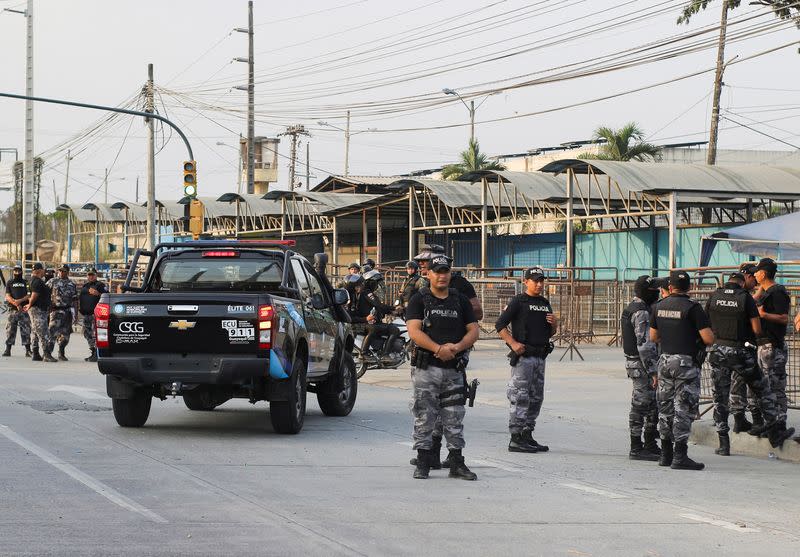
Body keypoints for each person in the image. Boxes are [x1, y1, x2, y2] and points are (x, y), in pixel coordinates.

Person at [408, 245, 483, 470]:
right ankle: (424, 460)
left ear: (450, 273)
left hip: (453, 366)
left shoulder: (459, 299)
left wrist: (457, 347)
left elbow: (474, 330)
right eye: (437, 271)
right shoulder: (419, 299)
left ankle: (456, 461)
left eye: (445, 271)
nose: (441, 275)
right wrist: (437, 348)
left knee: (454, 416)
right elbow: (414, 330)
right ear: (428, 274)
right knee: (424, 415)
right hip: (427, 366)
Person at [705, 272, 794, 455]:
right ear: (742, 282)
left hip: (718, 351)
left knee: (720, 398)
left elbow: (707, 324)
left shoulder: (714, 296)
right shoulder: (745, 298)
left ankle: (724, 444)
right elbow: (757, 329)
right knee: (763, 391)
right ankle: (774, 432)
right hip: (741, 353)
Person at [649, 270, 714, 470]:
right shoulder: (693, 308)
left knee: (666, 408)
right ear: (690, 287)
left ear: (670, 287)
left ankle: (665, 454)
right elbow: (709, 339)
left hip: (665, 361)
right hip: (686, 363)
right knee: (683, 409)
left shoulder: (658, 307)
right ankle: (680, 456)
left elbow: (653, 337)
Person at [495, 267, 558, 453]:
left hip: (540, 357)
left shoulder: (544, 303)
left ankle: (527, 435)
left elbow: (550, 332)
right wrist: (513, 343)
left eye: (541, 281)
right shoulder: (519, 301)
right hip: (524, 358)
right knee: (520, 397)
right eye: (535, 280)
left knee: (536, 398)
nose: (539, 284)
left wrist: (555, 324)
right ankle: (515, 438)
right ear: (526, 282)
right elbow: (500, 325)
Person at [619, 276, 661, 461]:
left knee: (652, 405)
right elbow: (644, 345)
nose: (658, 293)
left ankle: (650, 444)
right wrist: (653, 371)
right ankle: (636, 446)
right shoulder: (641, 312)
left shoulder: (633, 307)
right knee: (640, 405)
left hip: (639, 364)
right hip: (642, 365)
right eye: (655, 290)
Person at [750, 257, 791, 436]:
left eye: (757, 271)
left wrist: (764, 315)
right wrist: (760, 291)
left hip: (773, 346)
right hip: (764, 344)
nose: (755, 274)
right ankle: (771, 424)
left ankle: (780, 423)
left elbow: (784, 318)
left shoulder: (778, 292)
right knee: (765, 386)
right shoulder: (766, 291)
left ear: (764, 273)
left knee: (776, 386)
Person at [24, 263, 56, 362]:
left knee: (35, 332)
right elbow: (34, 295)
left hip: (38, 309)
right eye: (43, 270)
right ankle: (46, 354)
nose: (44, 271)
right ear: (39, 270)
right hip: (37, 310)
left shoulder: (32, 280)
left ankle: (35, 353)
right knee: (43, 332)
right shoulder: (37, 281)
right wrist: (30, 304)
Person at [47, 264, 78, 361]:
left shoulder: (72, 284)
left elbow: (75, 300)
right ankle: (47, 354)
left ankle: (61, 352)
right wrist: (47, 306)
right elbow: (44, 293)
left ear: (67, 272)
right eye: (60, 270)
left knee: (66, 335)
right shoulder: (52, 281)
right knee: (52, 333)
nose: (61, 272)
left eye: (63, 271)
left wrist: (76, 314)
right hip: (55, 311)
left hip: (67, 311)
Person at [78, 268, 106, 362]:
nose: (90, 277)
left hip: (95, 315)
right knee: (87, 334)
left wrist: (98, 294)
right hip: (86, 314)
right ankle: (93, 351)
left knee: (95, 334)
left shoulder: (100, 285)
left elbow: (107, 296)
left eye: (92, 275)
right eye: (89, 275)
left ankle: (97, 354)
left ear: (96, 275)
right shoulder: (85, 286)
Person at [3, 265, 31, 357]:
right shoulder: (10, 282)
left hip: (24, 310)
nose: (17, 272)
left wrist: (20, 301)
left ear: (21, 271)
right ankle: (8, 349)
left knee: (26, 330)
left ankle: (28, 350)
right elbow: (7, 296)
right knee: (10, 329)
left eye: (19, 270)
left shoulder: (26, 282)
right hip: (13, 310)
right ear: (13, 271)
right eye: (16, 271)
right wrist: (16, 304)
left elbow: (29, 295)